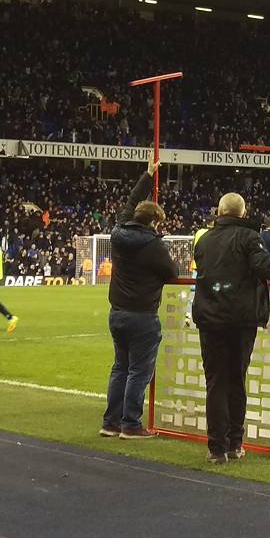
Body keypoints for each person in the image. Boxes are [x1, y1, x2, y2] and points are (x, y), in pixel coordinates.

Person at [192, 191, 270, 463]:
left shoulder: (204, 240)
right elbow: (265, 268)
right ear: (243, 213)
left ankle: (216, 448)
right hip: (240, 320)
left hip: (209, 318)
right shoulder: (249, 237)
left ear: (219, 212)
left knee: (215, 382)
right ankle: (234, 443)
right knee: (235, 380)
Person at [102, 159, 178, 440]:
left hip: (117, 312)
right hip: (142, 315)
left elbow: (131, 202)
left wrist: (148, 175)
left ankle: (110, 422)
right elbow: (171, 273)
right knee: (138, 371)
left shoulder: (119, 231)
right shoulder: (153, 245)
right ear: (155, 223)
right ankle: (131, 424)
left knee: (120, 368)